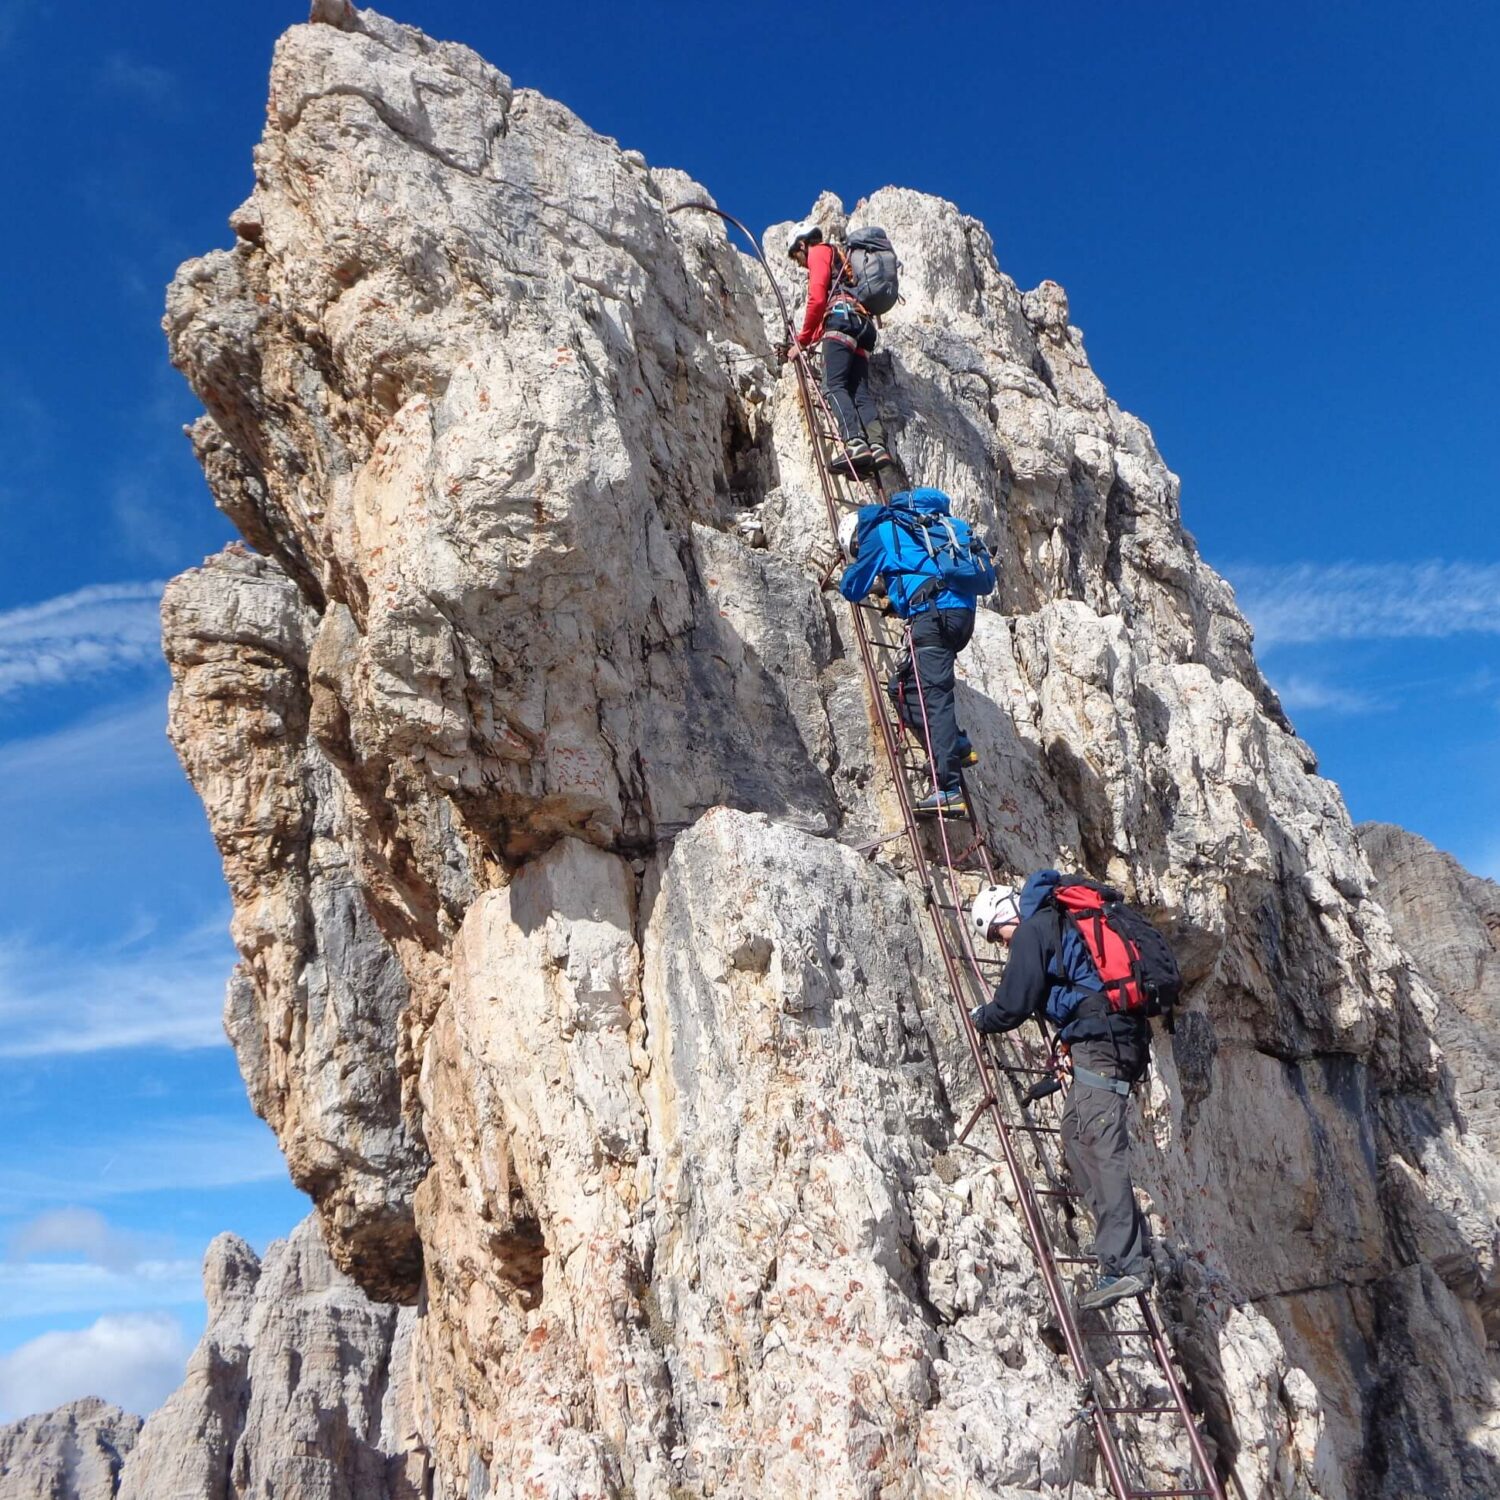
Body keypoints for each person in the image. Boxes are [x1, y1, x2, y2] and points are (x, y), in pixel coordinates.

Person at [968, 873, 1154, 1310]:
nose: (1000, 944)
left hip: (1103, 1043)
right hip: (1110, 1039)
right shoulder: (1057, 924)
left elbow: (1012, 1003)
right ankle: (1117, 1249)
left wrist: (983, 1018)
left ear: (1006, 915)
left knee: (1100, 1142)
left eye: (997, 934)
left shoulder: (1034, 928)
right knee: (1075, 1132)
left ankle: (1127, 1266)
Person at [837, 490, 988, 815]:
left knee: (934, 698)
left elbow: (853, 587)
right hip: (961, 616)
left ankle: (947, 789)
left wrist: (850, 568)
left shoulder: (881, 532)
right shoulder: (934, 526)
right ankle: (956, 744)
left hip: (932, 617)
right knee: (902, 689)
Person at [785, 220, 905, 487]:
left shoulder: (819, 252)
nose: (800, 263)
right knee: (859, 392)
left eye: (797, 256)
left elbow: (817, 298)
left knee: (833, 384)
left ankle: (854, 443)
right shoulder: (841, 257)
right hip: (862, 327)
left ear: (803, 244)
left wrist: (802, 341)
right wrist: (813, 338)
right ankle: (877, 447)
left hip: (840, 322)